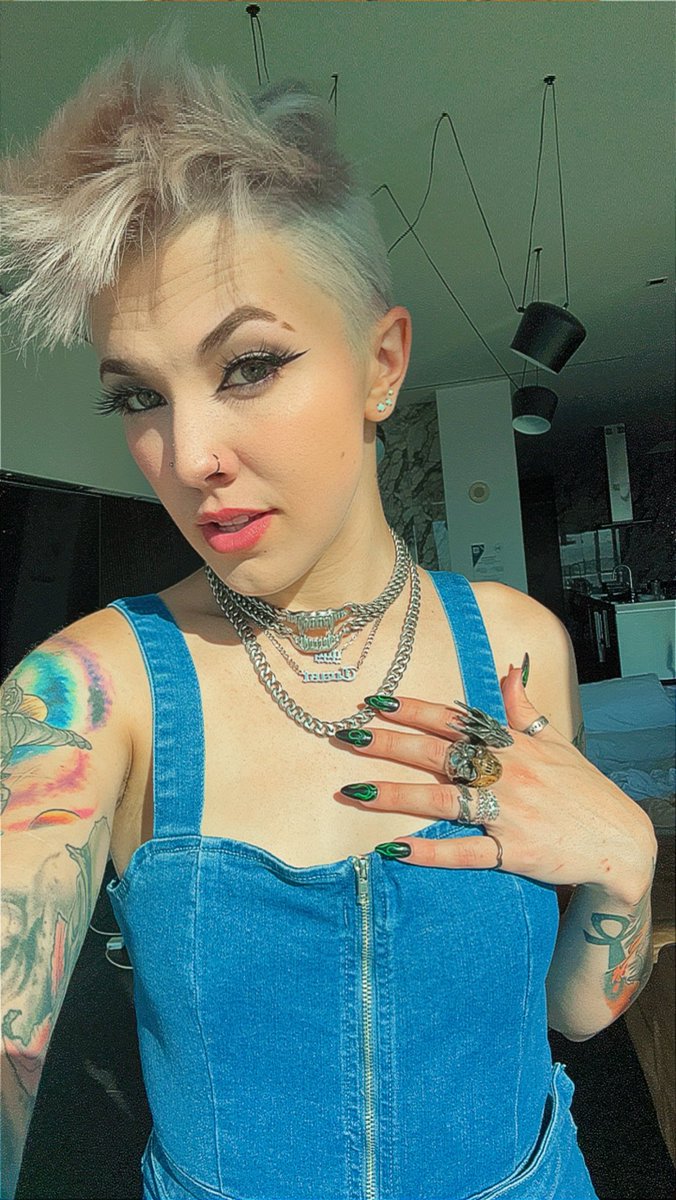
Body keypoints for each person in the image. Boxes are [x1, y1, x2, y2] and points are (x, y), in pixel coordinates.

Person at [0, 23, 656, 1200]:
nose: (187, 456)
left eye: (248, 366)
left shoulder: (519, 648)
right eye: (138, 396)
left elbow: (575, 1014)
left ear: (382, 364)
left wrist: (624, 868)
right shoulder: (87, 696)